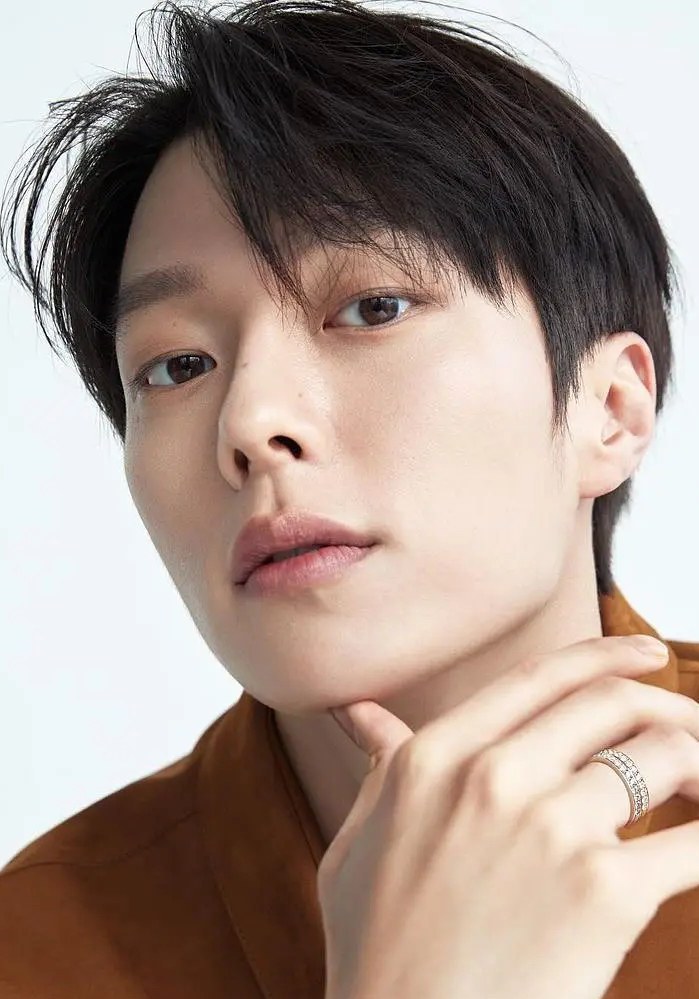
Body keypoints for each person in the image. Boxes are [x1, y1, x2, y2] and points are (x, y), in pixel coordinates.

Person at [1, 1, 697, 996]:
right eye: (178, 365)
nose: (250, 422)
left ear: (611, 409)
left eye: (373, 307)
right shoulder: (35, 949)